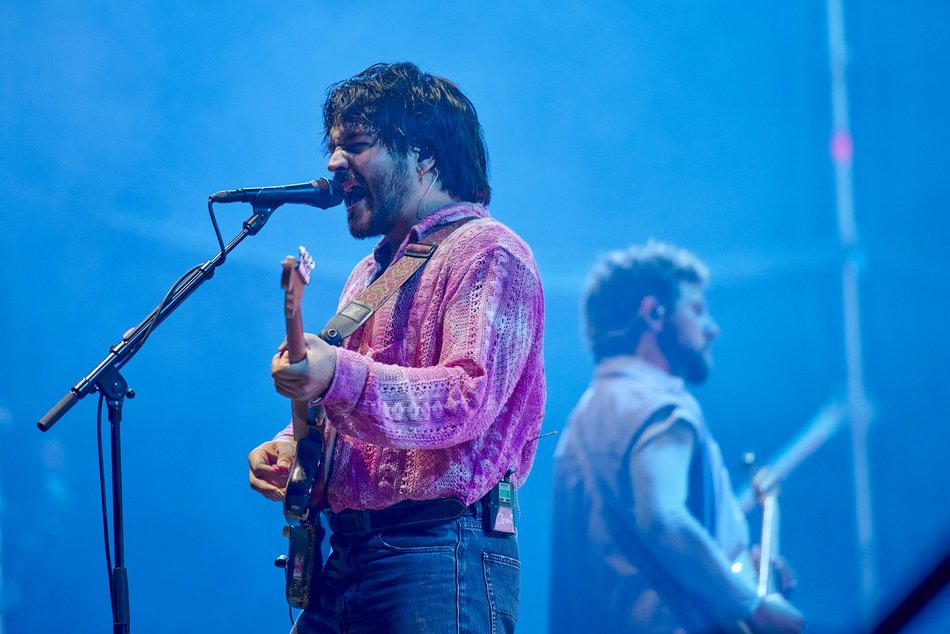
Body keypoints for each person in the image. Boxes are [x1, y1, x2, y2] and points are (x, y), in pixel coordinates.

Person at [247, 62, 545, 633]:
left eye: (356, 145)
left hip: (440, 550)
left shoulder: (488, 252)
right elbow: (356, 401)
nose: (335, 165)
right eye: (334, 148)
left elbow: (466, 398)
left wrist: (336, 374)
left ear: (425, 155)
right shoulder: (369, 271)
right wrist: (294, 446)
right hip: (350, 554)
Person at [549, 241, 804, 633]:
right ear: (654, 312)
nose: (712, 329)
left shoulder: (583, 419)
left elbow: (624, 559)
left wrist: (737, 572)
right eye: (698, 310)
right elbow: (664, 520)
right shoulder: (658, 404)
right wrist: (753, 604)